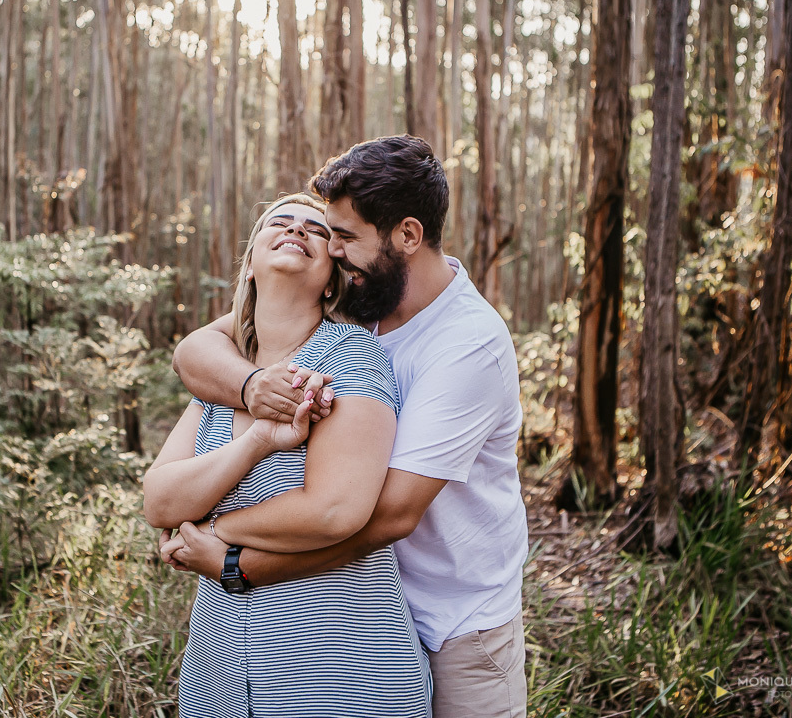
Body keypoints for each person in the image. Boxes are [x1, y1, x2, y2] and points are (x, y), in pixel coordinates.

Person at [165, 135, 530, 718]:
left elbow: (385, 516)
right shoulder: (360, 299)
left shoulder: (468, 345)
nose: (331, 250)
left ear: (408, 236)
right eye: (327, 233)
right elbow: (196, 349)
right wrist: (251, 387)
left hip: (456, 623)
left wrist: (229, 555)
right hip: (358, 601)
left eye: (346, 237)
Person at [143, 193, 432, 718]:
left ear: (330, 279)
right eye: (280, 222)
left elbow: (333, 510)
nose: (297, 230)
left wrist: (212, 534)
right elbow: (159, 501)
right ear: (250, 264)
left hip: (339, 669)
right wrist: (256, 441)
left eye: (317, 231)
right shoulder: (223, 376)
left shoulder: (350, 354)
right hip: (221, 668)